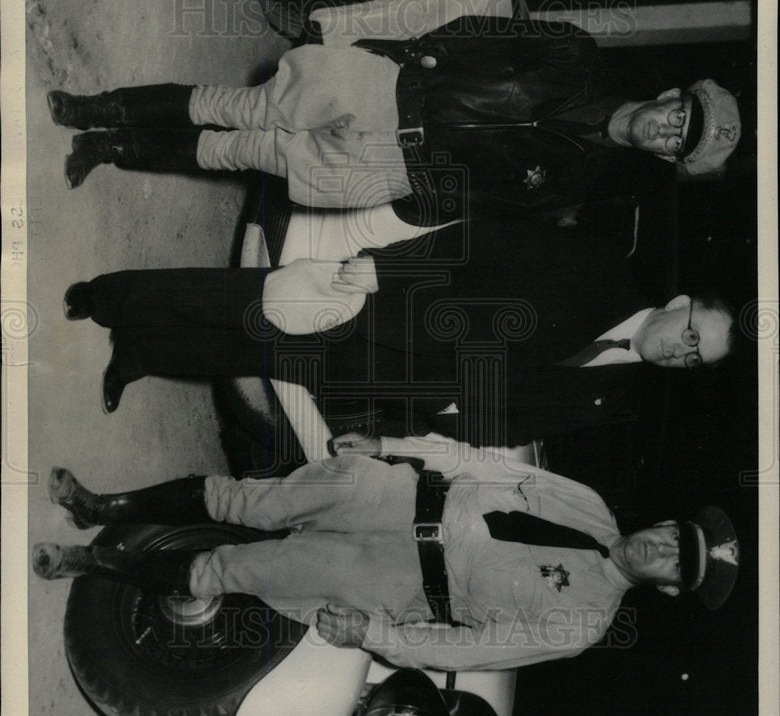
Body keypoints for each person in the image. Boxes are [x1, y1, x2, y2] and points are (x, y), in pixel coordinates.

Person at [33, 437, 740, 671]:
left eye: (677, 563)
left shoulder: (583, 623)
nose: (661, 548)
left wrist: (374, 634)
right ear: (669, 522)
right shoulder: (585, 502)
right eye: (676, 537)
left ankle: (90, 563)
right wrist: (395, 448)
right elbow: (479, 463)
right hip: (396, 498)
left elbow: (468, 651)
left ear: (670, 587)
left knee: (232, 571)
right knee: (247, 501)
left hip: (398, 579)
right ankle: (104, 507)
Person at [62, 217, 736, 446]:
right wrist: (387, 267)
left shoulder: (611, 401)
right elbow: (481, 238)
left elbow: (503, 426)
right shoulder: (594, 266)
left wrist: (398, 432)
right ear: (678, 302)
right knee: (244, 301)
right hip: (388, 305)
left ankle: (143, 351)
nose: (684, 351)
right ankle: (110, 297)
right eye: (694, 333)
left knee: (250, 351)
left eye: (697, 358)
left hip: (393, 381)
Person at [47, 17, 742, 222]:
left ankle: (110, 148)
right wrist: (411, 57)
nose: (664, 128)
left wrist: (401, 175)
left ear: (664, 158)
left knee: (239, 154)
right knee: (234, 107)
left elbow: (471, 201)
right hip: (389, 90)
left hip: (387, 166)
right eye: (678, 115)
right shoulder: (576, 57)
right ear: (671, 94)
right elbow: (480, 31)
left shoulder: (573, 184)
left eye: (676, 141)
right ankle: (96, 107)